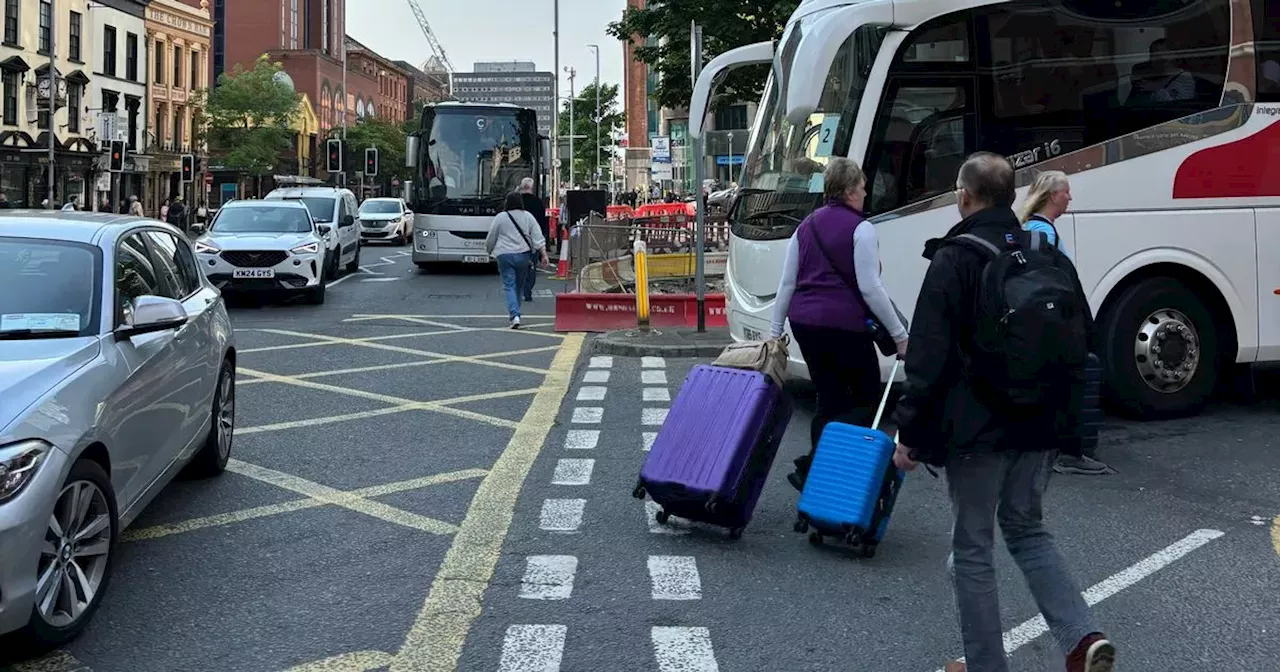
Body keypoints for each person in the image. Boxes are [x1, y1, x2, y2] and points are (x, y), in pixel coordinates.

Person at [892, 152, 1115, 672]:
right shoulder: (1044, 251)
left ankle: (986, 665)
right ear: (1013, 197)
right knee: (1027, 528)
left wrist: (910, 432)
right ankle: (1082, 638)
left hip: (978, 430)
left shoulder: (957, 257)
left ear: (963, 198)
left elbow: (929, 354)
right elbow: (1084, 332)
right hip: (1040, 422)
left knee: (972, 549)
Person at [768, 157, 908, 491]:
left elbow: (787, 284)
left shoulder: (806, 226)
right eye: (861, 187)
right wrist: (901, 336)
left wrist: (775, 332)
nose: (864, 193)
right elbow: (871, 289)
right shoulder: (861, 228)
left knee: (829, 397)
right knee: (864, 398)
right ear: (848, 191)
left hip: (805, 324)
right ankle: (818, 467)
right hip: (844, 326)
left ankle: (817, 470)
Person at [1019, 171, 1115, 477]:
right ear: (1051, 196)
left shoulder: (1034, 229)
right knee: (1071, 378)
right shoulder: (1043, 234)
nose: (1070, 197)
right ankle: (1070, 453)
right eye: (1066, 192)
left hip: (1046, 323)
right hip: (1056, 323)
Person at [485, 191, 548, 329]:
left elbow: (491, 237)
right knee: (519, 287)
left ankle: (515, 315)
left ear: (507, 202)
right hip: (523, 255)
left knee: (509, 285)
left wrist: (488, 251)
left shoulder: (500, 217)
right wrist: (544, 254)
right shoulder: (528, 217)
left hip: (504, 255)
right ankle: (516, 315)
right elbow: (537, 236)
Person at [519, 177, 549, 302]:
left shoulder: (516, 201)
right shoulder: (537, 202)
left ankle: (518, 289)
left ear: (521, 187)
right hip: (533, 240)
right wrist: (544, 239)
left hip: (518, 239)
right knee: (531, 267)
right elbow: (543, 221)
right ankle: (528, 290)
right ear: (531, 188)